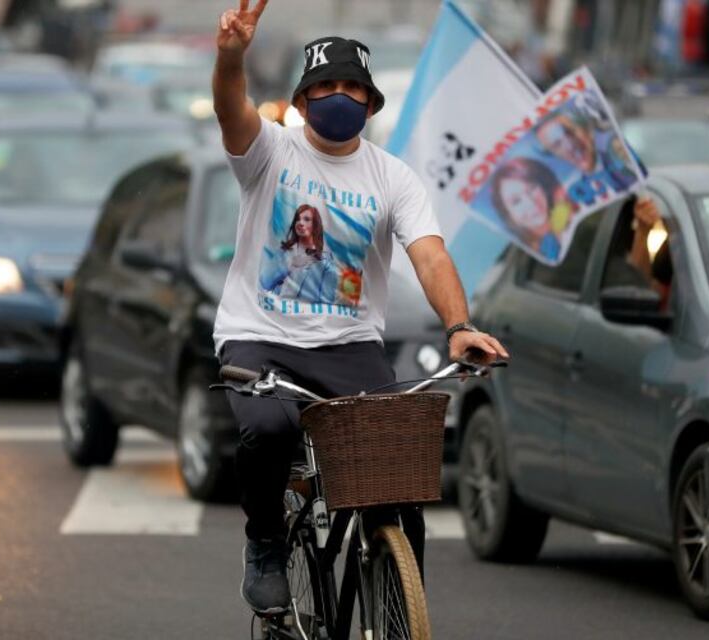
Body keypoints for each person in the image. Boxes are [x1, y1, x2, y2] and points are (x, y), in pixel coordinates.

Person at [210, 0, 510, 616]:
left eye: (352, 87)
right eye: (325, 86)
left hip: (350, 351)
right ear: (301, 101)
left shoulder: (392, 177)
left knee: (396, 481)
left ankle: (399, 600)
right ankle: (266, 545)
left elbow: (429, 255)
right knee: (267, 430)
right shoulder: (271, 152)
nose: (339, 96)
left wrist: (460, 327)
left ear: (371, 105)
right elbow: (229, 108)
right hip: (260, 338)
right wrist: (230, 57)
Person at [534, 106, 638, 206]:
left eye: (570, 133)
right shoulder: (580, 192)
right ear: (555, 155)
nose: (570, 146)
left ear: (587, 129)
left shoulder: (616, 148)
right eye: (557, 145)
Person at [489, 157, 577, 261]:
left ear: (543, 187)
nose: (531, 203)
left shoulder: (573, 210)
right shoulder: (523, 258)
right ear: (507, 213)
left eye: (532, 188)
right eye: (516, 201)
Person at [259, 204, 339, 303]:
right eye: (298, 219)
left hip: (305, 316)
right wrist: (290, 265)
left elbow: (327, 303)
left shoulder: (326, 263)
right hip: (276, 313)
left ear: (315, 225)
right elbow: (264, 283)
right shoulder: (283, 253)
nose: (301, 223)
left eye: (306, 219)